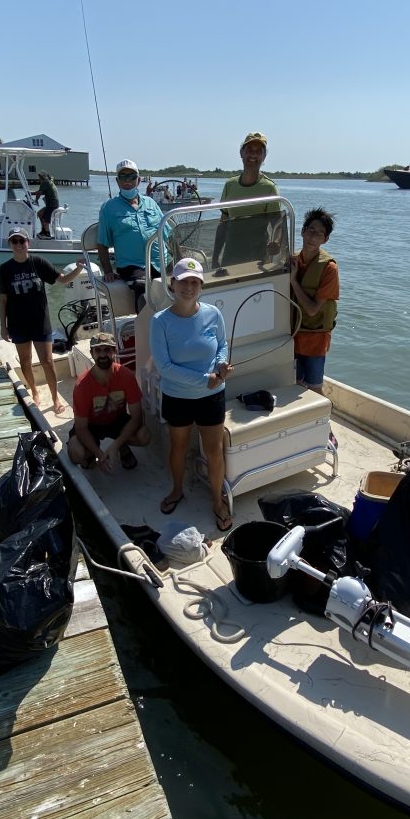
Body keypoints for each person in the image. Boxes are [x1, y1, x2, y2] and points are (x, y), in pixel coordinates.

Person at [149, 258, 234, 532]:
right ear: (172, 284)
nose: (189, 287)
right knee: (179, 447)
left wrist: (221, 365)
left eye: (195, 282)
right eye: (184, 281)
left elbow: (222, 345)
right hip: (178, 397)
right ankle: (176, 490)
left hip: (212, 395)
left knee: (214, 451)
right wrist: (203, 379)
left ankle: (217, 501)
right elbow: (164, 367)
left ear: (201, 286)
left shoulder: (213, 314)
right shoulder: (160, 321)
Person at [0, 228, 85, 411]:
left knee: (47, 361)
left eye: (22, 241)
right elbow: (3, 300)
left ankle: (55, 399)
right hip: (17, 323)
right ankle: (35, 392)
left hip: (40, 322)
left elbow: (61, 279)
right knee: (25, 361)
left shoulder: (38, 262)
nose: (19, 245)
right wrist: (3, 327)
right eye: (15, 241)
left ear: (28, 243)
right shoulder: (4, 269)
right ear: (10, 245)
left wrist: (77, 269)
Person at [67, 332, 151, 473]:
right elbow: (81, 427)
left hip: (116, 420)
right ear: (92, 353)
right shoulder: (82, 385)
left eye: (107, 350)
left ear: (114, 351)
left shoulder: (127, 376)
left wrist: (114, 446)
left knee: (144, 436)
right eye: (98, 350)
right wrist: (100, 454)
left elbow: (137, 417)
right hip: (91, 425)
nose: (102, 355)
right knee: (77, 453)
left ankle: (121, 446)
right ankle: (93, 453)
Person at [289, 208, 339, 393]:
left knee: (314, 388)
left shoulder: (329, 268)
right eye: (310, 230)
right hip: (292, 335)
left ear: (325, 239)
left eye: (319, 233)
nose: (313, 236)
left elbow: (312, 309)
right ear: (302, 231)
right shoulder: (292, 260)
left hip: (315, 338)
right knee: (293, 384)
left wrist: (293, 281)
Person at [215, 131, 282, 268]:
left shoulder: (270, 188)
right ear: (241, 153)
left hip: (258, 259)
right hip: (230, 256)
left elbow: (277, 225)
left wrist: (277, 242)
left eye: (258, 151)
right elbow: (223, 224)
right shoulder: (230, 185)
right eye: (249, 150)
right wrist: (215, 257)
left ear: (264, 157)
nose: (253, 154)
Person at [97, 160, 166, 284]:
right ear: (117, 181)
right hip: (132, 267)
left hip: (161, 261)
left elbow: (168, 235)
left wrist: (180, 260)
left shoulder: (151, 203)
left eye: (131, 177)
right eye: (123, 177)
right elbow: (102, 244)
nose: (127, 181)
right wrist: (108, 271)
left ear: (138, 180)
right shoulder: (108, 208)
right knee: (143, 285)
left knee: (184, 279)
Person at [31, 170, 60, 239]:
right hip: (53, 203)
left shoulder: (45, 182)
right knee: (40, 213)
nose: (39, 178)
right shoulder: (49, 182)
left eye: (39, 177)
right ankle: (43, 231)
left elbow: (39, 193)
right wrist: (30, 193)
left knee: (45, 219)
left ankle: (47, 234)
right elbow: (40, 192)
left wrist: (36, 200)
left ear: (42, 177)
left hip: (52, 204)